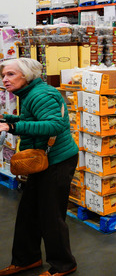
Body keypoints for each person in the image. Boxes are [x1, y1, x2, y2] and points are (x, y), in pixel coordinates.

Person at [0, 58, 78, 276]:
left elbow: (55, 124)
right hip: (43, 161)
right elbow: (35, 120)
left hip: (57, 161)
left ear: (26, 75)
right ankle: (27, 259)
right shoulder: (30, 93)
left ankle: (64, 264)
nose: (5, 79)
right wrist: (8, 118)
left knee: (51, 215)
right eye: (4, 75)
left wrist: (13, 126)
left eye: (11, 74)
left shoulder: (40, 94)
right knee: (29, 212)